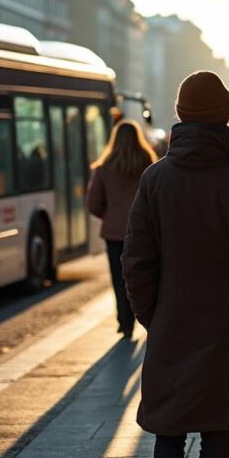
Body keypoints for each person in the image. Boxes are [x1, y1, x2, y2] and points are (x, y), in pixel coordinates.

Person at [121, 71, 229, 458]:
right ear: (225, 116)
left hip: (171, 324)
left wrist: (153, 315)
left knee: (167, 432)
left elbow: (136, 262)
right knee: (217, 432)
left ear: (180, 115)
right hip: (227, 326)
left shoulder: (155, 180)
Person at [87, 120, 157, 338]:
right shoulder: (147, 162)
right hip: (143, 233)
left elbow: (93, 204)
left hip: (114, 233)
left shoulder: (104, 167)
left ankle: (124, 322)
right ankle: (142, 315)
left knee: (119, 278)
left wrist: (110, 216)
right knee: (143, 276)